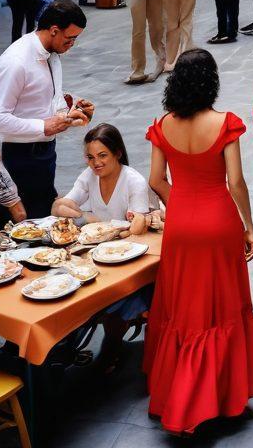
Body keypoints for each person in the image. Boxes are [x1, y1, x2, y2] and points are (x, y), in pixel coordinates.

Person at [145, 49, 253, 434]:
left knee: (183, 308)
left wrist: (179, 202)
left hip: (181, 224)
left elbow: (155, 180)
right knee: (220, 306)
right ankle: (220, 394)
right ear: (210, 81)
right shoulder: (225, 123)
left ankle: (176, 394)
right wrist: (248, 226)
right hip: (218, 223)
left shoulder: (162, 125)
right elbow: (235, 182)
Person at [52, 122, 155, 370]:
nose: (96, 163)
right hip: (98, 252)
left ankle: (111, 346)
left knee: (113, 300)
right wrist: (90, 219)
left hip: (130, 256)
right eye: (90, 157)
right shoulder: (89, 176)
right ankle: (66, 346)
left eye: (102, 156)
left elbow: (137, 228)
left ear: (117, 153)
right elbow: (58, 207)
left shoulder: (133, 181)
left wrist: (91, 220)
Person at [0, 0, 92, 217]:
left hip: (45, 152)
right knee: (27, 223)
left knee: (44, 214)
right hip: (21, 157)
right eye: (70, 37)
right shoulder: (15, 62)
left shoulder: (51, 52)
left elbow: (43, 97)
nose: (72, 43)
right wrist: (44, 126)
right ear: (54, 30)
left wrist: (71, 108)